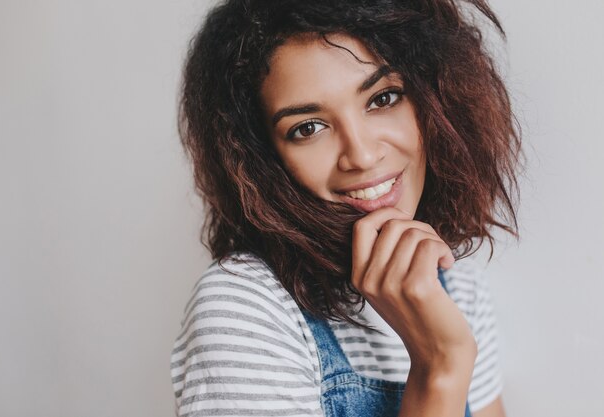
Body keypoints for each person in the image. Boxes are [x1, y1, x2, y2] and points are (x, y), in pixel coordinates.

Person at [170, 0, 521, 416]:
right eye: (308, 128)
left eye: (383, 98)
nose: (362, 155)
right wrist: (440, 367)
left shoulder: (459, 287)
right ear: (263, 158)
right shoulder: (245, 309)